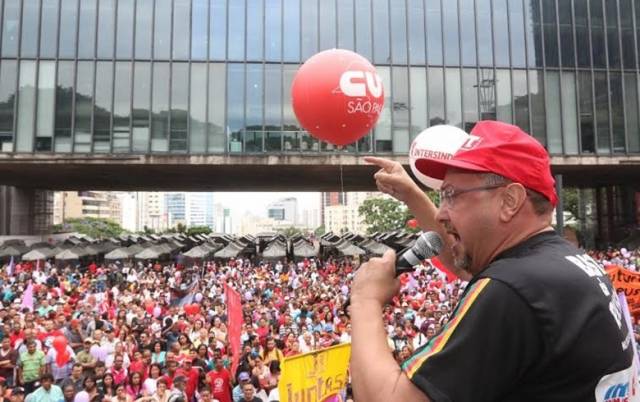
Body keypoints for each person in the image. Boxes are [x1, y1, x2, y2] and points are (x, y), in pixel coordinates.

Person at [350, 121, 635, 401]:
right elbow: (464, 261)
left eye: (451, 196)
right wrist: (413, 195)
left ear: (509, 201)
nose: (440, 214)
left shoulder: (513, 289)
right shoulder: (560, 261)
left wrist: (365, 299)